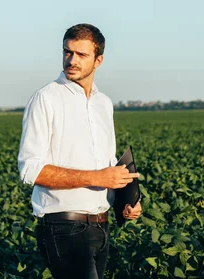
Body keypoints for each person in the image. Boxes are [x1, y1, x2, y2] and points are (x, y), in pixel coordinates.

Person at [17, 23, 143, 279]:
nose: (71, 60)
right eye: (67, 52)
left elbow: (107, 164)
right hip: (63, 227)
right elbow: (30, 170)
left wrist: (128, 202)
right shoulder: (46, 98)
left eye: (81, 55)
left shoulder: (103, 103)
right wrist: (97, 178)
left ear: (99, 60)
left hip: (101, 226)